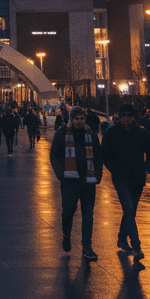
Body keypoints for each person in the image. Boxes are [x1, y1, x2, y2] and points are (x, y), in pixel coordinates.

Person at [101, 104, 150, 259]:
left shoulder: (142, 133)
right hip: (121, 178)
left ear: (133, 117)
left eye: (129, 116)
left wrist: (147, 168)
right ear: (120, 117)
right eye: (124, 116)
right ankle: (136, 245)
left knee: (130, 211)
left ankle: (121, 238)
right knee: (129, 209)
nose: (127, 119)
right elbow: (105, 154)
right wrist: (115, 169)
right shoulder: (112, 133)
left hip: (137, 177)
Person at [49, 105, 103, 259]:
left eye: (82, 118)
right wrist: (62, 175)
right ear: (71, 119)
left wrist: (97, 176)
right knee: (68, 211)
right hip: (69, 182)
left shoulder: (91, 136)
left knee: (88, 215)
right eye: (76, 118)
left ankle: (87, 246)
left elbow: (98, 157)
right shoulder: (61, 134)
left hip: (88, 181)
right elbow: (54, 156)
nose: (79, 121)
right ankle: (66, 234)